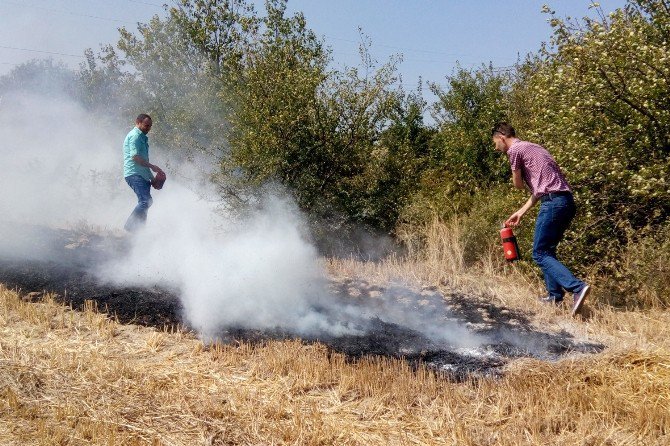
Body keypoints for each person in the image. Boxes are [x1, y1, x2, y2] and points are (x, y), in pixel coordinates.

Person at [492, 122, 590, 316]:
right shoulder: (534, 147)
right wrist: (521, 212)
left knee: (539, 253)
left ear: (502, 137)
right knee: (548, 250)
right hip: (565, 201)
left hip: (553, 203)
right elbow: (541, 189)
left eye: (495, 143)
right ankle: (554, 296)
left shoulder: (514, 151)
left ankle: (577, 288)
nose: (496, 147)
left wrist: (515, 174)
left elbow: (518, 185)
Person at [123, 114, 163, 232]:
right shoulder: (135, 136)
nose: (148, 128)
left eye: (150, 126)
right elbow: (135, 157)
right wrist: (152, 167)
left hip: (142, 175)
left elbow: (143, 161)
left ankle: (139, 233)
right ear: (138, 122)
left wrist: (152, 178)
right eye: (146, 125)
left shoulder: (142, 138)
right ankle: (129, 227)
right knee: (146, 201)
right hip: (134, 174)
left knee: (146, 203)